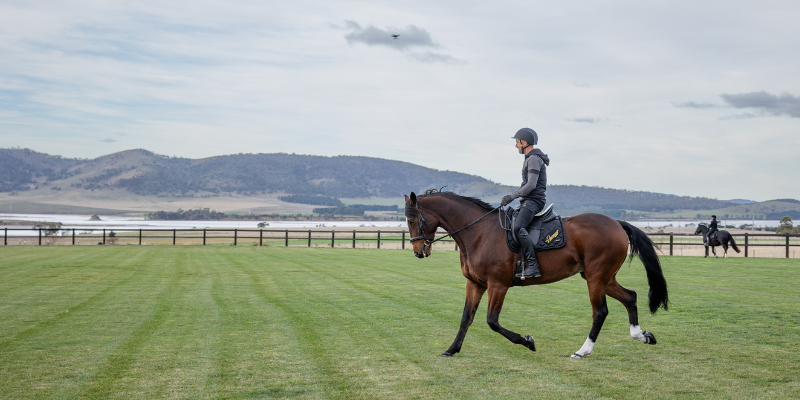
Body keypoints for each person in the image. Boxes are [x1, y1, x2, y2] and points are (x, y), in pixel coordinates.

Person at [501, 128, 550, 279]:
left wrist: (511, 197)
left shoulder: (534, 159)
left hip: (534, 201)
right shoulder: (530, 158)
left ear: (524, 143)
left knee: (518, 227)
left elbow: (530, 185)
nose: (516, 146)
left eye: (517, 142)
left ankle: (533, 265)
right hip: (528, 200)